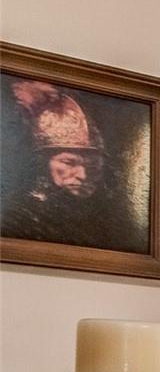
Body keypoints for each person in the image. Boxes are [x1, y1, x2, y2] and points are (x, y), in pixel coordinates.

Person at [3, 78, 145, 251]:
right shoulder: (21, 217)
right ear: (43, 164)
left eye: (93, 165)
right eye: (68, 162)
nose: (83, 175)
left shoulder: (110, 221)